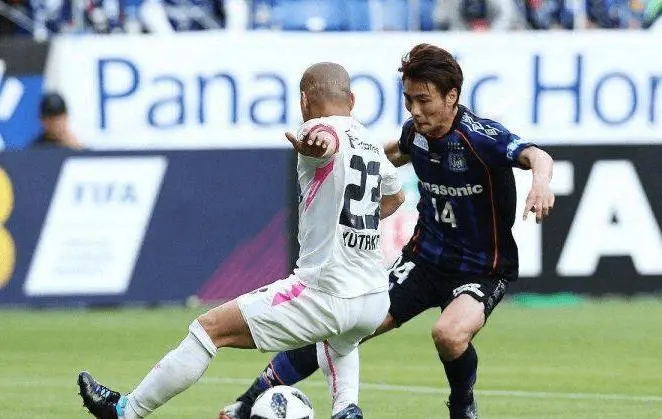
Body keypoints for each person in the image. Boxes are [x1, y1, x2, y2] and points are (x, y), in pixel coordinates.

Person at [219, 43, 555, 419]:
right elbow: (384, 155)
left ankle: (462, 407)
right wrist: (337, 160)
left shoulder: (480, 138)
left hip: (482, 267)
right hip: (423, 261)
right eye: (409, 100)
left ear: (451, 96)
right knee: (342, 327)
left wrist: (541, 184)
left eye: (424, 100)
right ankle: (246, 404)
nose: (414, 110)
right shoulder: (416, 134)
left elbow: (536, 155)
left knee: (448, 334)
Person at [77, 61, 405, 419]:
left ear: (304, 100)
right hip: (373, 297)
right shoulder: (370, 143)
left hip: (326, 291)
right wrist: (352, 224)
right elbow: (396, 197)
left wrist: (318, 145)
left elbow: (324, 141)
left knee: (209, 329)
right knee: (338, 342)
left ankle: (125, 411)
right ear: (352, 100)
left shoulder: (317, 128)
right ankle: (346, 409)